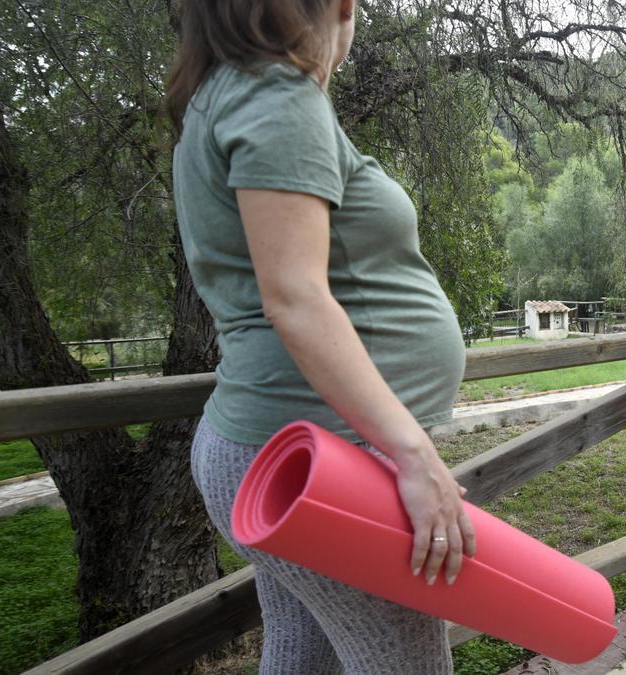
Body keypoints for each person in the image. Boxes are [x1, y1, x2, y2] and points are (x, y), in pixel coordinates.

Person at [166, 1, 474, 672]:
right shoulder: (277, 94)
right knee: (406, 660)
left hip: (274, 445)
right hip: (317, 453)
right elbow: (298, 298)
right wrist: (414, 454)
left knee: (302, 652)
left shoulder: (222, 93)